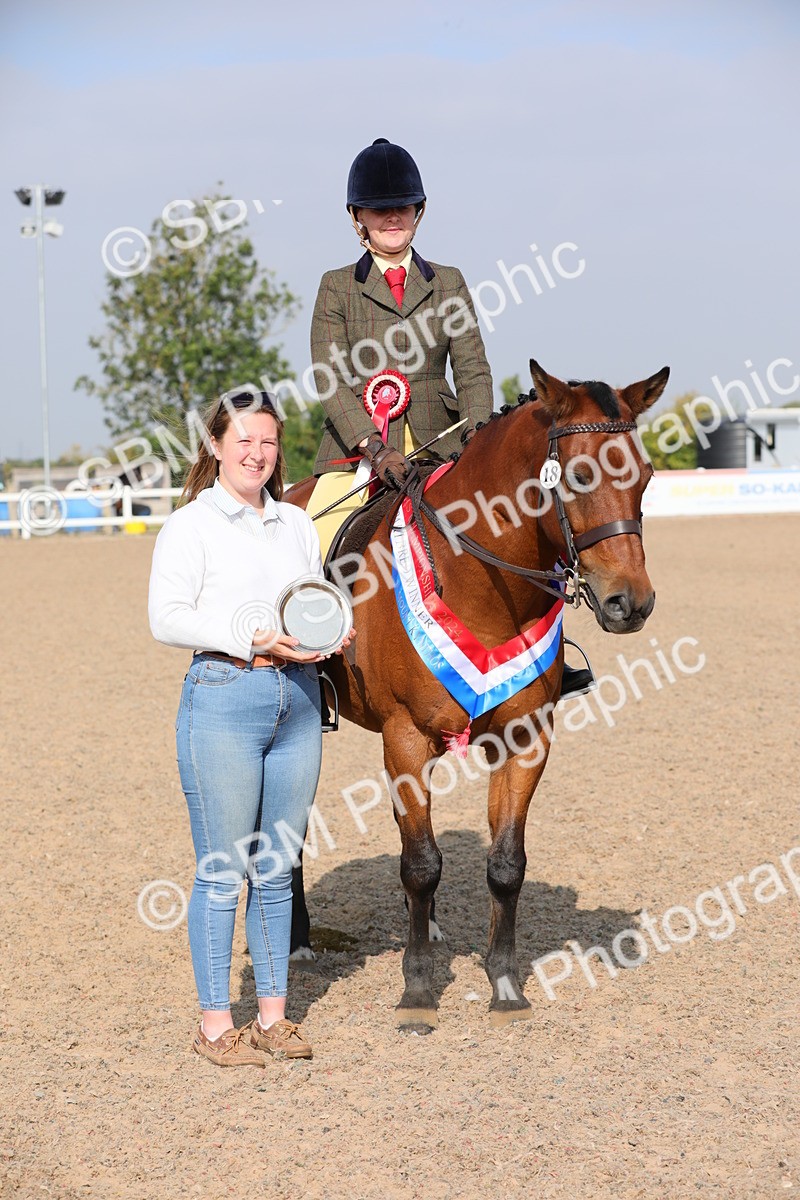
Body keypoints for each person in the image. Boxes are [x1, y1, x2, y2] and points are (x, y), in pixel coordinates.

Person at [308, 137, 593, 697]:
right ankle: (316, 666)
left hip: (445, 447)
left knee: (521, 520)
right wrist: (373, 446)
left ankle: (551, 657)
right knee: (314, 532)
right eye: (378, 209)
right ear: (356, 219)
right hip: (360, 453)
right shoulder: (336, 287)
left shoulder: (450, 282)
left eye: (403, 207)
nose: (392, 218)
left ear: (418, 213)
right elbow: (329, 379)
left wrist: (477, 442)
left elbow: (475, 371)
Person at [148, 391, 352, 1067]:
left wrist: (335, 628)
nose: (256, 454)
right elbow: (166, 617)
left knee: (275, 870)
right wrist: (250, 636)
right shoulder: (191, 526)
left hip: (297, 701)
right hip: (224, 697)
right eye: (243, 441)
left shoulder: (296, 523)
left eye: (267, 442)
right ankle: (214, 1028)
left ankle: (273, 1018)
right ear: (214, 445)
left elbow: (315, 595)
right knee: (220, 872)